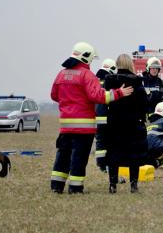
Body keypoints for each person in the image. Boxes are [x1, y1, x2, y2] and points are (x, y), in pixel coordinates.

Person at [50, 42, 133, 194]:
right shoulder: (86, 75)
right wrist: (119, 93)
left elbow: (54, 95)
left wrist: (69, 101)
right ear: (86, 57)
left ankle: (56, 186)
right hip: (83, 128)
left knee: (63, 155)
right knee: (78, 158)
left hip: (65, 127)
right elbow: (98, 95)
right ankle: (75, 188)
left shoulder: (61, 74)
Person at [104, 54, 149, 193]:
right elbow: (144, 105)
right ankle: (133, 185)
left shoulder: (109, 81)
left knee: (113, 154)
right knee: (133, 155)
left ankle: (112, 185)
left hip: (114, 123)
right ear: (130, 64)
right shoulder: (137, 82)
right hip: (133, 124)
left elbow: (105, 101)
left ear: (117, 64)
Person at [94, 58, 117, 172]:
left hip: (95, 117)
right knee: (107, 141)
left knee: (100, 140)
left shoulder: (95, 81)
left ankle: (100, 163)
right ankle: (104, 165)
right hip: (106, 117)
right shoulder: (110, 82)